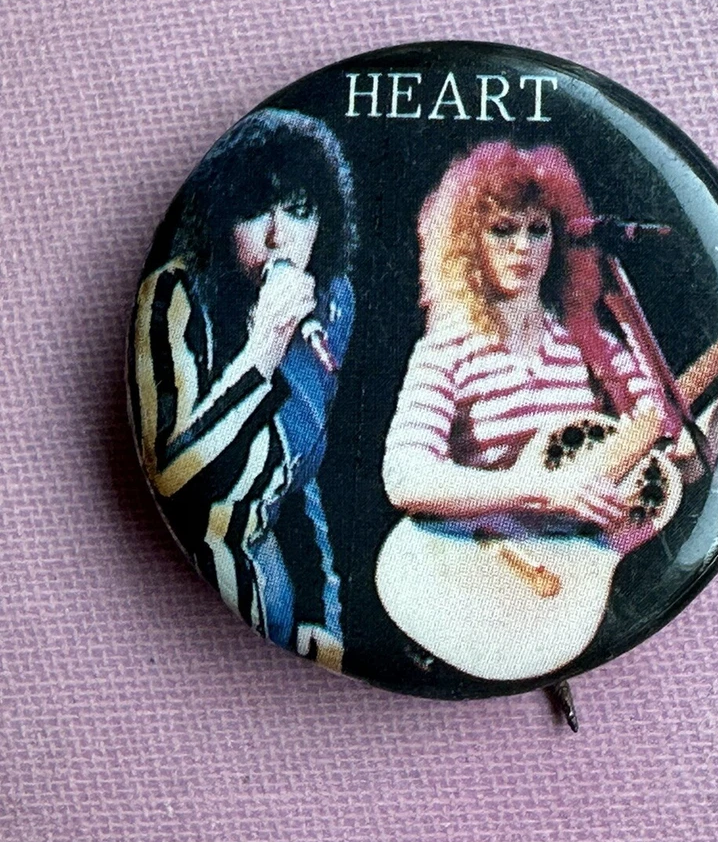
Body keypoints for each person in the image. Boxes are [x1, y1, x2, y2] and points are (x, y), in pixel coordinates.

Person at [129, 109, 356, 670]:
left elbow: (298, 474)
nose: (279, 238)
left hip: (274, 585)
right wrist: (264, 346)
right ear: (223, 219)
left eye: (299, 212)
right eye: (256, 212)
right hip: (184, 603)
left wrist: (321, 616)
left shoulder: (331, 301)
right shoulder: (173, 296)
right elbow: (177, 479)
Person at [382, 141, 679, 540]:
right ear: (468, 243)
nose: (523, 246)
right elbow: (405, 476)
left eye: (538, 230)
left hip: (575, 560)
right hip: (481, 557)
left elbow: (672, 440)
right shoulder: (446, 351)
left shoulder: (591, 346)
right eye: (503, 229)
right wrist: (540, 489)